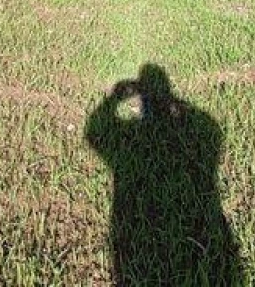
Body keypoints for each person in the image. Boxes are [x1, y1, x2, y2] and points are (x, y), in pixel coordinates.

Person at [85, 64, 243, 285]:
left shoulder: (203, 127)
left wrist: (113, 98)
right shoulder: (205, 126)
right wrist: (180, 107)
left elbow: (95, 132)